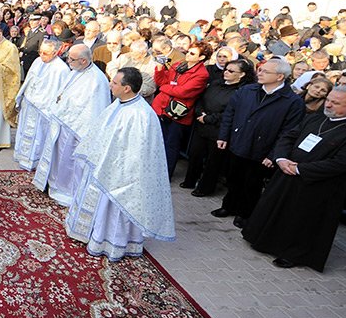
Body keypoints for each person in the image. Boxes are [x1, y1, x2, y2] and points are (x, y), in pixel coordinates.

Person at [243, 87, 346, 270]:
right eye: (328, 100)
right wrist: (281, 158)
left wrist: (299, 169)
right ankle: (262, 240)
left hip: (317, 185)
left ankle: (292, 254)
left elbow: (341, 164)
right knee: (276, 210)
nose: (328, 104)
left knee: (302, 221)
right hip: (287, 174)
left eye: (335, 103)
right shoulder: (315, 118)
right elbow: (289, 136)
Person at [64, 67, 175, 259]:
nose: (110, 85)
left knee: (114, 210)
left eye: (115, 83)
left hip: (122, 176)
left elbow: (138, 154)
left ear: (127, 88)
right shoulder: (118, 103)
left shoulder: (141, 115)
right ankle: (90, 232)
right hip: (105, 166)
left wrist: (114, 167)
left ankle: (109, 243)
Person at [213, 58, 305, 227]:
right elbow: (229, 113)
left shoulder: (292, 101)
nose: (259, 73)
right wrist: (224, 136)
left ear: (280, 76)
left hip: (262, 151)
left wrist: (273, 154)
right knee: (233, 178)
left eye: (265, 71)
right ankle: (229, 206)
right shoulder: (247, 90)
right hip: (238, 143)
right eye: (260, 70)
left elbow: (288, 132)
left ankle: (245, 213)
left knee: (252, 184)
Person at [35, 44, 111, 206]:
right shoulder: (76, 71)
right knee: (58, 158)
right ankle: (53, 184)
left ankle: (66, 191)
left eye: (72, 59)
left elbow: (93, 109)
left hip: (77, 129)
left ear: (83, 60)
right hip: (63, 123)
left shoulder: (97, 80)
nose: (68, 61)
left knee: (69, 161)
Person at [181, 59, 253, 196]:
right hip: (201, 125)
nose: (226, 72)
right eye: (226, 69)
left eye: (231, 71)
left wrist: (209, 118)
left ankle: (205, 188)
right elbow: (201, 99)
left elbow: (231, 112)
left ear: (242, 74)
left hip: (218, 130)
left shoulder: (242, 92)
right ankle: (190, 180)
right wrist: (200, 113)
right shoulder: (216, 83)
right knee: (195, 154)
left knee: (213, 162)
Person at [151, 41, 212, 178]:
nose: (188, 54)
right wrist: (159, 69)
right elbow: (161, 81)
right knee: (157, 141)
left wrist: (164, 88)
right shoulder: (179, 65)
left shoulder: (202, 74)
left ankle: (165, 174)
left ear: (201, 57)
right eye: (188, 51)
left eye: (192, 53)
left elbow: (183, 92)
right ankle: (153, 169)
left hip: (177, 113)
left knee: (171, 145)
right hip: (161, 107)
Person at [14, 39, 70, 170]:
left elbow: (60, 93)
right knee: (24, 132)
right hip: (29, 104)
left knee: (39, 137)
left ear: (55, 53)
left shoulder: (61, 69)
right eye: (40, 52)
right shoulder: (37, 61)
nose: (41, 55)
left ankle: (35, 162)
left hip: (43, 109)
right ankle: (22, 157)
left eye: (45, 53)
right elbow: (29, 80)